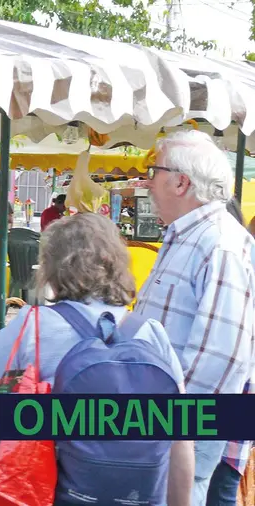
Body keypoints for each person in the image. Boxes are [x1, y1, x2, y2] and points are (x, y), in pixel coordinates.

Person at [0, 213, 194, 505]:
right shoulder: (151, 333)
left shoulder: (31, 324)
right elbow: (181, 437)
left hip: (52, 492)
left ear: (51, 266)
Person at [133, 130, 255, 506]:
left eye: (154, 172)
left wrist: (163, 424)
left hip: (180, 428)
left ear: (181, 182)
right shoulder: (187, 235)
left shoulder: (220, 242)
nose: (148, 182)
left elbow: (221, 357)